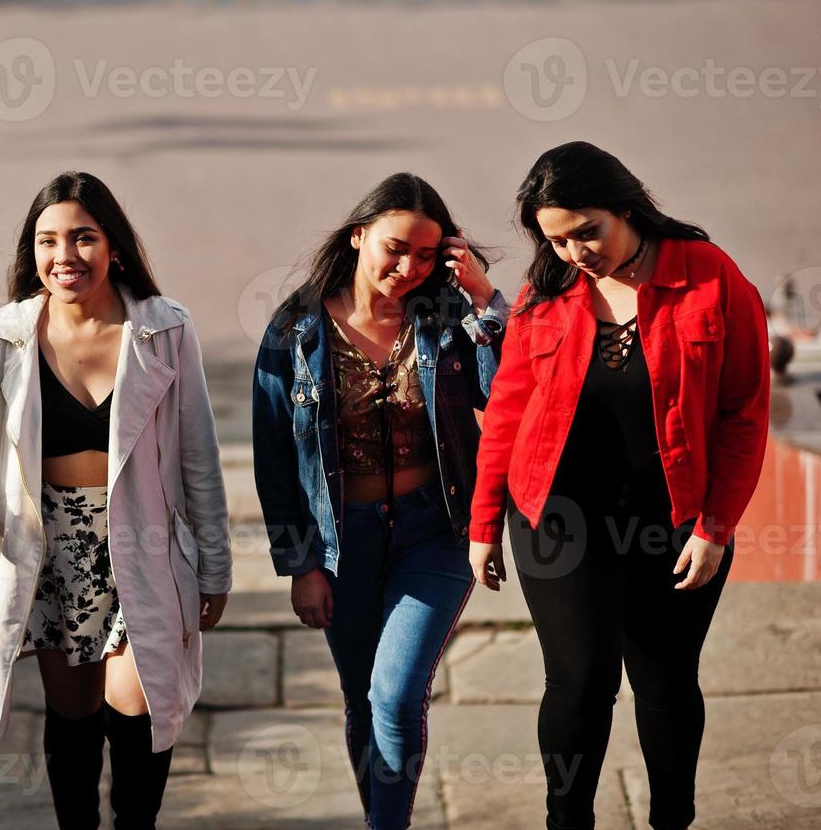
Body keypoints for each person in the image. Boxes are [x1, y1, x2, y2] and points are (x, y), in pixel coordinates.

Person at [468, 141, 770, 830]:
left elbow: (743, 411)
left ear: (625, 207)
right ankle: (565, 820)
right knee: (579, 682)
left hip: (673, 519)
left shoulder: (709, 277)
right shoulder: (543, 295)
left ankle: (673, 820)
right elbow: (508, 412)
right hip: (557, 517)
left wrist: (715, 527)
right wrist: (483, 525)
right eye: (556, 239)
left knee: (664, 682)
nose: (575, 251)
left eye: (586, 231)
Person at [0, 171, 232, 830]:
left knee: (138, 705)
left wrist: (216, 567)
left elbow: (198, 460)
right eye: (48, 241)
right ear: (32, 254)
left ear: (113, 246)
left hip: (141, 548)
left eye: (83, 238)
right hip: (48, 554)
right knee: (71, 716)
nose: (65, 256)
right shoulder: (3, 335)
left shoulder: (164, 329)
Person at [252, 172, 508, 830]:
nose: (408, 267)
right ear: (358, 235)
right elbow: (274, 458)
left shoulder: (449, 317)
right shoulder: (295, 332)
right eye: (395, 247)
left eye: (426, 256)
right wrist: (302, 565)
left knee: (394, 695)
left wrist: (483, 299)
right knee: (359, 701)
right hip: (344, 542)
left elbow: (506, 397)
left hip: (436, 529)